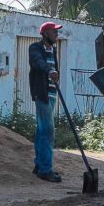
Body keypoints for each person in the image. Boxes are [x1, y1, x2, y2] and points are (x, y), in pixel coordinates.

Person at [27, 22, 65, 182]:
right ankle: (45, 169)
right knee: (48, 130)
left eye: (57, 32)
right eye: (54, 32)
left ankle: (39, 164)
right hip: (41, 94)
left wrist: (55, 74)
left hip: (52, 93)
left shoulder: (53, 50)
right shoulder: (35, 48)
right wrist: (50, 71)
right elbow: (38, 63)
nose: (57, 35)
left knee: (41, 130)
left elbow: (53, 68)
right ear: (45, 34)